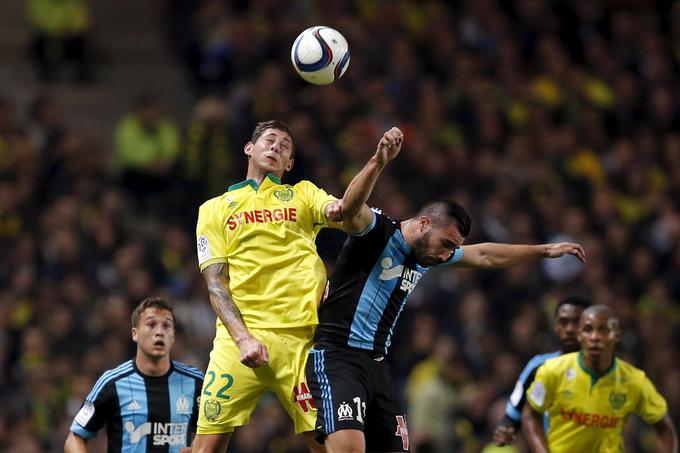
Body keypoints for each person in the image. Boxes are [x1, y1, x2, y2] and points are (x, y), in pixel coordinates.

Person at [305, 136, 587, 453]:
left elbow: (484, 256)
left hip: (378, 367)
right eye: (447, 244)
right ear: (425, 223)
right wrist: (378, 161)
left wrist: (544, 250)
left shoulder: (424, 256)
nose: (446, 256)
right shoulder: (377, 231)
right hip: (337, 357)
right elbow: (350, 207)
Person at [192, 120, 404, 453]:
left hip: (302, 342)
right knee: (204, 449)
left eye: (285, 145)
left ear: (289, 164)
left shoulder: (303, 194)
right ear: (250, 148)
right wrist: (243, 337)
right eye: (269, 140)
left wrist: (377, 161)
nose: (276, 147)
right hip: (239, 341)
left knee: (326, 446)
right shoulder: (214, 209)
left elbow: (348, 211)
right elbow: (216, 283)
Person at [523, 305, 678, 453]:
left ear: (616, 335)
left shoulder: (634, 381)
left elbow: (664, 428)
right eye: (588, 329)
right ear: (579, 335)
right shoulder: (553, 371)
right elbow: (530, 413)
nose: (595, 337)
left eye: (604, 330)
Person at [64, 297, 204, 452]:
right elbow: (75, 438)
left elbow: (213, 434)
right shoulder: (112, 383)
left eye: (166, 326)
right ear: (135, 333)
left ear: (173, 336)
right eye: (151, 324)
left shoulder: (195, 382)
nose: (159, 332)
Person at [492, 294, 591, 446]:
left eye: (577, 322)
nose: (570, 329)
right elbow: (513, 414)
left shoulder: (610, 370)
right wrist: (506, 428)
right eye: (563, 322)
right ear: (555, 326)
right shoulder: (538, 367)